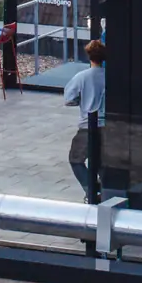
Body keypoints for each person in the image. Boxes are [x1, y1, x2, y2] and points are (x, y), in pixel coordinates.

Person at [64, 39, 106, 195]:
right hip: (108, 125)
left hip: (87, 126)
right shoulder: (110, 76)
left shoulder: (81, 77)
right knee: (102, 161)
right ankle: (106, 190)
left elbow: (69, 99)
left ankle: (91, 189)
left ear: (89, 56)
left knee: (76, 159)